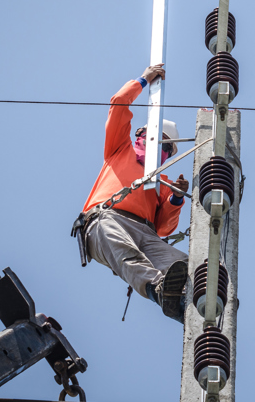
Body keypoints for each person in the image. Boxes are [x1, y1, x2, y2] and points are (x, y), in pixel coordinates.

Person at [77, 63, 190, 323]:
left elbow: (164, 228)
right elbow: (118, 104)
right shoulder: (120, 150)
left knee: (187, 267)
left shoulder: (162, 181)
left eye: (167, 148)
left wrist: (177, 198)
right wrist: (142, 80)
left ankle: (200, 296)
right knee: (126, 254)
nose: (159, 149)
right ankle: (159, 290)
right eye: (156, 139)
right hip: (106, 219)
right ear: (142, 134)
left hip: (146, 233)